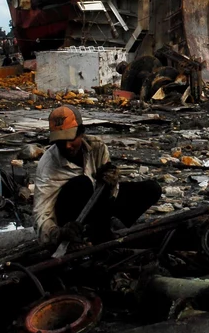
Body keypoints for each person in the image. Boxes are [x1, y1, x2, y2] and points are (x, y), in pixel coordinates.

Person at [33, 105, 162, 247]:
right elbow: (41, 212)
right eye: (60, 142)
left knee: (151, 189)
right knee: (82, 184)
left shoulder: (97, 147)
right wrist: (56, 233)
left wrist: (112, 182)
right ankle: (81, 238)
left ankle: (112, 230)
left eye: (71, 139)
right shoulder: (48, 164)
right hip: (70, 217)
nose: (67, 146)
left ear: (81, 132)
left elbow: (110, 194)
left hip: (98, 207)